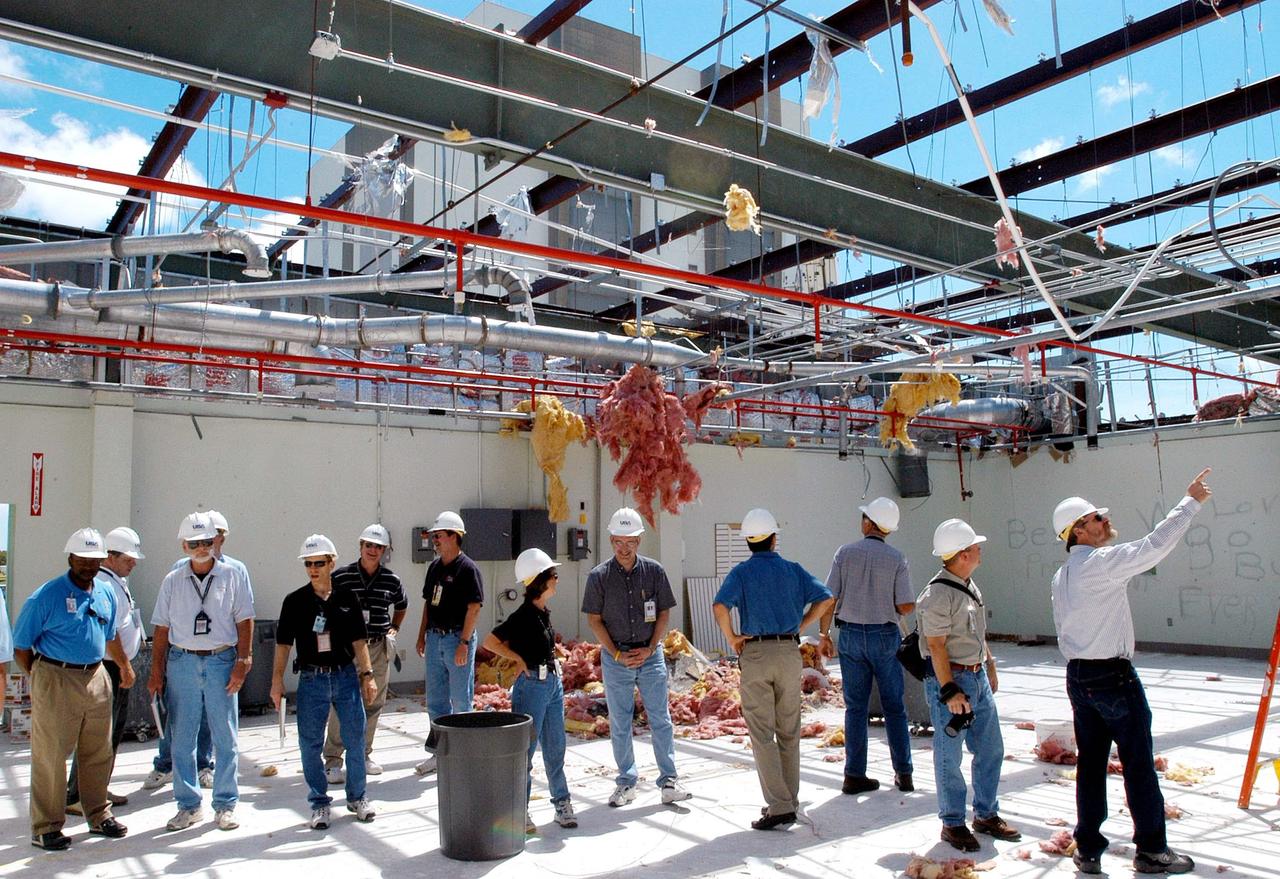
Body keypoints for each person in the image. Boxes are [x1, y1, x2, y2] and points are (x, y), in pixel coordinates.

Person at [1050, 469, 1211, 876]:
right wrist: (1189, 502)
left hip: (1079, 678)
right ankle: (1153, 850)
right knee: (1138, 763)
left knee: (1090, 766)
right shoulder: (1100, 564)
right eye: (1096, 519)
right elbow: (1155, 545)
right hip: (1113, 679)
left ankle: (1087, 848)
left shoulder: (1062, 575)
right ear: (1079, 532)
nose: (1105, 521)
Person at [12, 528, 133, 850]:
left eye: (94, 559)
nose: (88, 565)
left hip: (96, 676)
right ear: (70, 558)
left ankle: (97, 814)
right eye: (82, 558)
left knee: (98, 751)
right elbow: (21, 645)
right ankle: (46, 827)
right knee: (51, 755)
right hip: (56, 676)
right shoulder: (46, 596)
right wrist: (41, 677)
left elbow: (109, 636)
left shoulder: (105, 592)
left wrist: (123, 665)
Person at [713, 508, 833, 830]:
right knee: (789, 731)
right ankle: (789, 800)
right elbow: (825, 598)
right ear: (774, 539)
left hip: (755, 653)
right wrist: (802, 624)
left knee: (762, 733)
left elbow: (720, 606)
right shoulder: (793, 570)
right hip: (788, 652)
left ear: (748, 543)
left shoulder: (741, 573)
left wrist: (733, 638)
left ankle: (779, 806)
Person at [148, 512, 255, 833]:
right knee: (182, 738)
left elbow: (245, 618)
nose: (200, 548)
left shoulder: (232, 575)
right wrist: (156, 673)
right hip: (182, 662)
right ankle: (188, 806)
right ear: (183, 546)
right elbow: (162, 629)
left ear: (216, 542)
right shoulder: (172, 580)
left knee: (226, 736)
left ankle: (225, 804)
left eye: (206, 542)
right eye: (193, 543)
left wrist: (244, 659)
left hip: (221, 661)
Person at [918, 519, 1020, 853]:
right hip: (954, 680)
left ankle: (986, 814)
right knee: (950, 755)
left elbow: (977, 633)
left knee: (990, 748)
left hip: (975, 677)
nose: (979, 550)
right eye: (975, 546)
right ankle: (952, 822)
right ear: (962, 554)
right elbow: (935, 646)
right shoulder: (936, 595)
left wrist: (988, 663)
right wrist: (948, 690)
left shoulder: (969, 586)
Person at [583, 507, 690, 808]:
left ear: (640, 539)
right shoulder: (598, 577)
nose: (624, 547)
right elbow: (594, 620)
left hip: (650, 655)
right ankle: (626, 782)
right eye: (618, 541)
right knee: (619, 721)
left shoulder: (654, 571)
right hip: (616, 658)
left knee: (661, 719)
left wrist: (651, 646)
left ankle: (669, 780)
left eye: (630, 541)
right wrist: (616, 653)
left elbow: (664, 612)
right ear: (611, 540)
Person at [270, 534, 378, 830]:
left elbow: (359, 640)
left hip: (344, 676)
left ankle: (358, 798)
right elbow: (282, 644)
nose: (313, 568)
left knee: (355, 739)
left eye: (319, 562)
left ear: (332, 563)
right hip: (311, 679)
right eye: (308, 563)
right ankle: (319, 802)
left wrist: (368, 676)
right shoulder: (294, 601)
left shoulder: (347, 597)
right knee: (310, 743)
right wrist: (276, 681)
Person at [818, 497, 915, 795]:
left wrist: (824, 634)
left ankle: (854, 775)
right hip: (885, 636)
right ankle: (904, 774)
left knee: (856, 708)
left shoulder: (844, 553)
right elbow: (907, 604)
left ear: (870, 524)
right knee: (894, 707)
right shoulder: (897, 558)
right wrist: (889, 607)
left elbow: (828, 598)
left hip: (849, 636)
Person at [483, 547, 577, 833]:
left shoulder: (541, 613)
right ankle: (518, 811)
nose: (557, 579)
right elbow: (489, 641)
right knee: (525, 751)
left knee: (555, 747)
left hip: (551, 685)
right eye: (553, 575)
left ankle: (562, 803)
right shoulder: (523, 615)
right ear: (540, 580)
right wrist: (519, 660)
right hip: (532, 687)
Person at [67, 527, 146, 814]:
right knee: (98, 734)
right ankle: (78, 795)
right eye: (128, 558)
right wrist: (124, 665)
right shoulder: (104, 585)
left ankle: (96, 787)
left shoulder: (114, 581)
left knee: (109, 733)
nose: (133, 563)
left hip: (115, 665)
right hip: (109, 667)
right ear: (110, 557)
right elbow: (109, 633)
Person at [324, 524, 407, 783]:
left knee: (373, 702)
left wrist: (394, 628)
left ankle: (363, 754)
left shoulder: (391, 580)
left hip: (378, 647)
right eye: (368, 545)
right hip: (348, 649)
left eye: (378, 547)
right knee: (342, 703)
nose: (373, 550)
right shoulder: (341, 576)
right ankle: (334, 760)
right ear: (360, 546)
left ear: (384, 551)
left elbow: (402, 605)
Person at [414, 511, 483, 775]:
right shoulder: (434, 568)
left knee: (461, 701)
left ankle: (463, 756)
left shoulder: (468, 569)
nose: (435, 541)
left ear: (455, 537)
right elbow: (428, 605)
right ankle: (438, 754)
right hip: (435, 638)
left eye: (439, 536)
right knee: (436, 701)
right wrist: (422, 635)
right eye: (434, 536)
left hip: (456, 638)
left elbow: (473, 608)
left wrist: (464, 643)